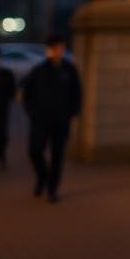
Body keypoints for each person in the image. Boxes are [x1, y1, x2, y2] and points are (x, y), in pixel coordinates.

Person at [21, 33, 80, 203]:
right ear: (49, 50)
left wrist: (73, 112)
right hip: (40, 120)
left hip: (61, 121)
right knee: (34, 150)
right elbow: (28, 93)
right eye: (54, 48)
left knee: (57, 155)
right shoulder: (39, 70)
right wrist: (31, 111)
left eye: (60, 47)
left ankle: (52, 189)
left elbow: (76, 93)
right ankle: (42, 176)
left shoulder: (69, 69)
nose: (57, 51)